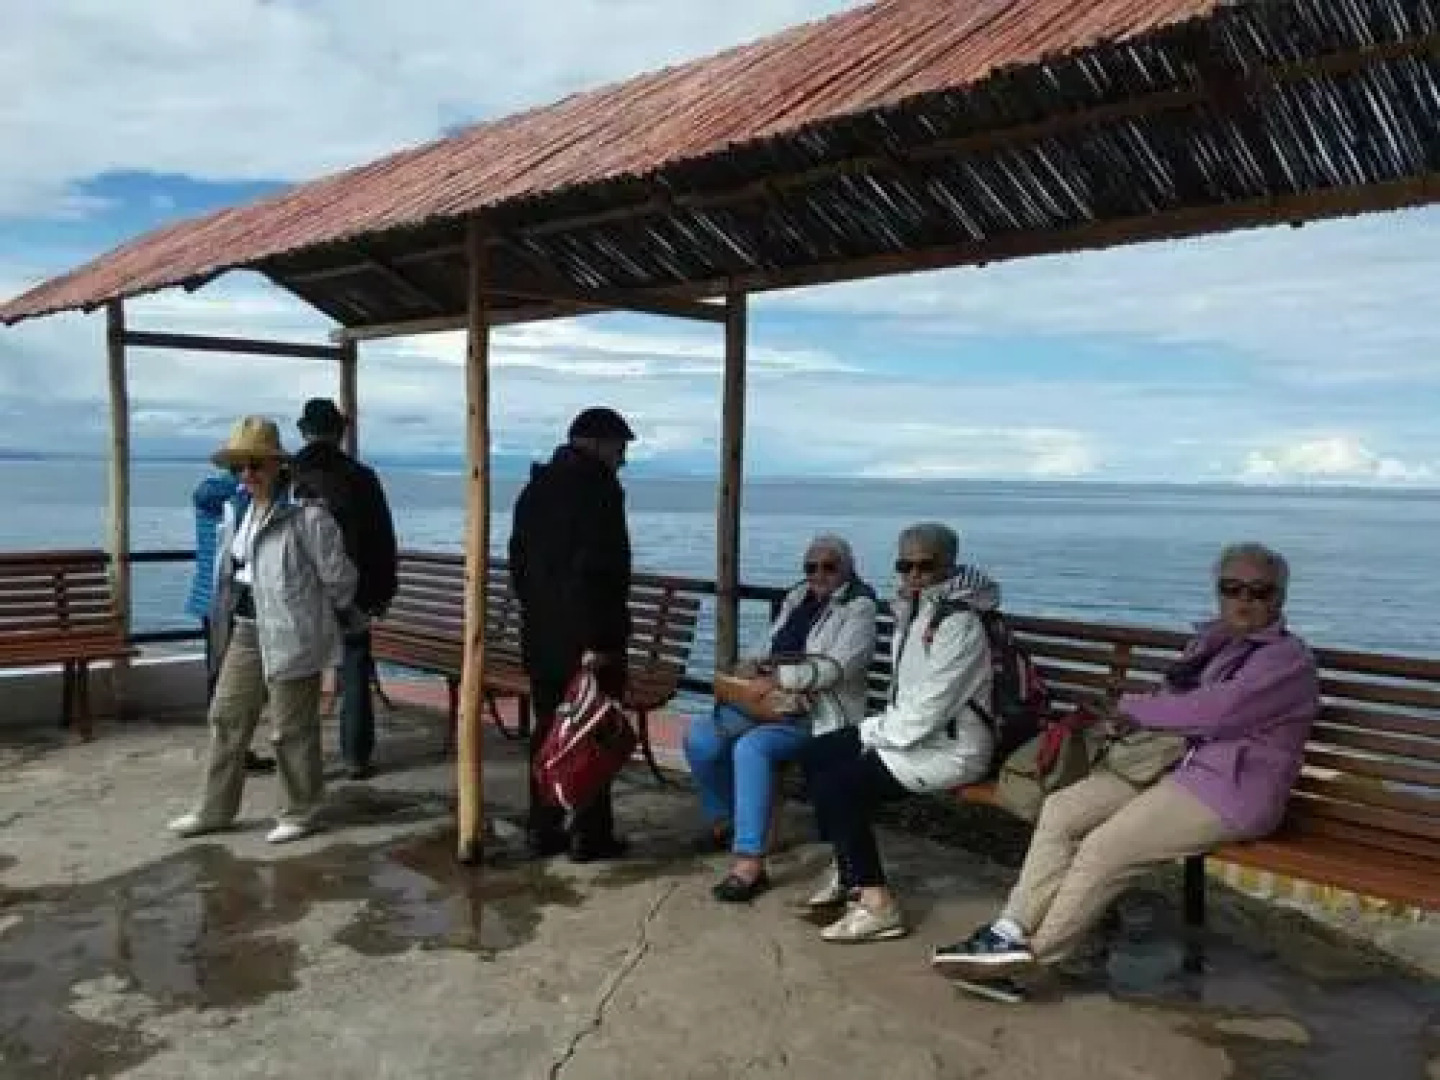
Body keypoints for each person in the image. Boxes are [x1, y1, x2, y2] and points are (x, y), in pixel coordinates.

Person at [933, 542, 1320, 1002]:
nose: (1244, 600)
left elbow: (1221, 710)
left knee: (1104, 848)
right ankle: (1008, 929)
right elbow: (1180, 702)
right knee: (1064, 809)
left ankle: (1029, 962)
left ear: (1280, 599)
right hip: (1172, 768)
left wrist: (1133, 710)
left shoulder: (1285, 660)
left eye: (1260, 592)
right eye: (1232, 588)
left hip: (1231, 790)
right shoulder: (1216, 644)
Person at [799, 523, 998, 942]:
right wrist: (872, 733)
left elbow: (928, 711)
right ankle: (849, 870)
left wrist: (871, 734)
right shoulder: (918, 611)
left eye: (925, 566)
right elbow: (909, 703)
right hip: (917, 736)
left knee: (842, 784)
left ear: (948, 565)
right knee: (818, 752)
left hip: (952, 748)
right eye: (904, 565)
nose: (913, 575)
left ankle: (877, 905)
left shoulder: (958, 624)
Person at [168, 416, 359, 844]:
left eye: (256, 464)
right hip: (248, 628)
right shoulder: (240, 511)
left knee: (292, 728)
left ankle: (301, 810)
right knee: (226, 716)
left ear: (278, 466)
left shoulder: (310, 517)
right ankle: (214, 809)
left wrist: (324, 618)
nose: (247, 474)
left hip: (292, 632)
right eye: (239, 466)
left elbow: (339, 578)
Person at [684, 534, 878, 902]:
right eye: (811, 567)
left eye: (828, 566)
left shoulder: (859, 607)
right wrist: (751, 667)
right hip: (772, 704)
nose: (818, 574)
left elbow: (838, 668)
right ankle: (730, 820)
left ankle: (749, 862)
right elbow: (768, 646)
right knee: (700, 738)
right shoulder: (796, 597)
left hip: (821, 717)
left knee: (752, 748)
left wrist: (778, 679)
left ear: (847, 569)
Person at [509, 406, 635, 862]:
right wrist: (600, 642)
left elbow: (519, 566)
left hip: (542, 635)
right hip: (590, 639)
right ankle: (590, 833)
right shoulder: (599, 492)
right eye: (620, 449)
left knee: (549, 730)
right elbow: (602, 574)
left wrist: (542, 614)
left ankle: (543, 827)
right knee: (595, 733)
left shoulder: (536, 488)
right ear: (598, 444)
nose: (623, 460)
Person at [290, 397, 398, 780]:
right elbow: (382, 541)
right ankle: (356, 756)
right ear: (340, 432)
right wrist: (381, 593)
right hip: (351, 594)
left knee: (296, 677)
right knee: (354, 668)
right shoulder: (362, 477)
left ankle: (301, 762)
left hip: (297, 596)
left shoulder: (287, 477)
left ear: (303, 432)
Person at [186, 468, 276, 774]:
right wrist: (250, 482)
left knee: (226, 676)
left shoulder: (225, 495)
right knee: (224, 676)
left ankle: (231, 748)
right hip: (220, 598)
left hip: (223, 597)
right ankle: (227, 750)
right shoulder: (219, 493)